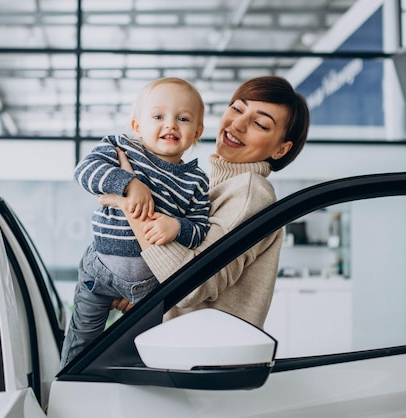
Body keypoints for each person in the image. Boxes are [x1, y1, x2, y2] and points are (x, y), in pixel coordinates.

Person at [103, 75, 310, 328]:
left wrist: (131, 201)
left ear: (280, 150)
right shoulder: (210, 185)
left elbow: (193, 286)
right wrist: (144, 295)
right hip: (186, 353)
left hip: (200, 359)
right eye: (237, 108)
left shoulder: (250, 192)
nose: (238, 124)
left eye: (260, 123)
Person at [60, 77, 211, 367]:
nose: (170, 125)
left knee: (140, 355)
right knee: (81, 342)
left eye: (183, 118)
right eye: (158, 116)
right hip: (100, 274)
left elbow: (201, 228)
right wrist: (129, 183)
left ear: (197, 132)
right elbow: (85, 171)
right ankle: (63, 394)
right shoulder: (121, 148)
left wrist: (177, 226)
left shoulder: (197, 181)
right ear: (137, 126)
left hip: (149, 288)